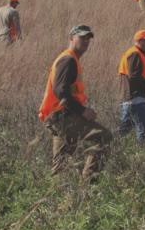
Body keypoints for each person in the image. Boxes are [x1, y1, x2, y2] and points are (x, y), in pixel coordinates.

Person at [38, 25, 112, 181]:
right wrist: (82, 111)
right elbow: (60, 91)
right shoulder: (68, 60)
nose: (86, 41)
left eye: (88, 38)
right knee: (104, 137)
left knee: (61, 165)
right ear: (71, 38)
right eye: (82, 37)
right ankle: (89, 182)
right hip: (64, 117)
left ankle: (56, 196)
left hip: (58, 117)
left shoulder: (71, 59)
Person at [118, 30, 145, 145]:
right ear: (139, 41)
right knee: (144, 129)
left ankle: (110, 148)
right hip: (136, 99)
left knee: (124, 131)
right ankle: (143, 156)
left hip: (132, 99)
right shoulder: (134, 54)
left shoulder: (138, 54)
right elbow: (134, 77)